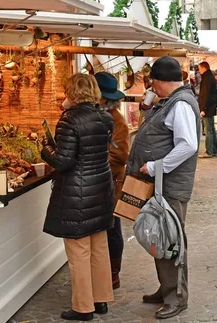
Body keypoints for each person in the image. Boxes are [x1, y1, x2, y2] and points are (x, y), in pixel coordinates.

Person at [130, 56, 200, 320]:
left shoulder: (180, 104)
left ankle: (177, 297)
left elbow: (188, 145)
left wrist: (158, 166)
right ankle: (167, 287)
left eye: (153, 83)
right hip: (163, 184)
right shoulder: (171, 101)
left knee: (171, 241)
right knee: (160, 237)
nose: (152, 88)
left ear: (159, 81)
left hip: (169, 184)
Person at [41, 74, 115, 321]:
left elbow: (63, 160)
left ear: (72, 92)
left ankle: (83, 307)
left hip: (77, 195)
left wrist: (45, 148)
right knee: (99, 248)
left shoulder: (69, 120)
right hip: (101, 190)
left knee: (79, 252)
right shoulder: (105, 117)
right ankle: (101, 299)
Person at [94, 72, 129, 290]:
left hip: (111, 184)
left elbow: (120, 156)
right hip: (99, 183)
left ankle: (113, 273)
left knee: (112, 228)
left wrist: (96, 166)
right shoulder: (100, 116)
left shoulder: (118, 121)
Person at [198, 61, 217, 158]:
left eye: (200, 68)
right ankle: (214, 150)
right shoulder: (209, 77)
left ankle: (209, 151)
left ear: (204, 68)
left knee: (208, 130)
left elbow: (205, 95)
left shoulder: (207, 79)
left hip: (207, 109)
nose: (199, 70)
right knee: (211, 129)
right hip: (210, 108)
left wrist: (203, 109)